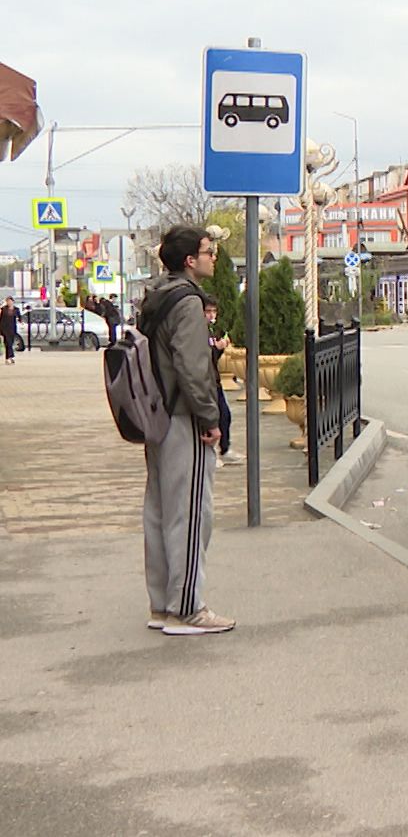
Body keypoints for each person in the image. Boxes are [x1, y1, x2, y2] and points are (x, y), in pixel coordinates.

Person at [140, 226, 233, 636]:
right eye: (208, 252)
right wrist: (210, 419)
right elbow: (194, 369)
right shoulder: (189, 303)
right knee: (192, 514)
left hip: (155, 417)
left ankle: (162, 605)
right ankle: (189, 608)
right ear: (190, 261)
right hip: (183, 419)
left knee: (160, 512)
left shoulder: (157, 295)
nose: (214, 258)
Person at [205, 300, 233, 464]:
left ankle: (225, 448)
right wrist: (217, 348)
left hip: (215, 380)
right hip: (207, 382)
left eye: (214, 312)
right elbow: (206, 356)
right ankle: (212, 452)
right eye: (208, 311)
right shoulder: (199, 331)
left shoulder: (211, 330)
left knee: (225, 415)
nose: (211, 315)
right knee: (214, 416)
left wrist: (220, 347)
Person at [0, 297, 18, 364]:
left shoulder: (16, 309)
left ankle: (10, 357)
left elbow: (19, 317)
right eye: (8, 301)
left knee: (10, 343)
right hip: (4, 328)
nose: (9, 302)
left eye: (10, 301)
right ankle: (9, 358)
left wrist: (21, 321)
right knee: (8, 343)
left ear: (13, 302)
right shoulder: (3, 309)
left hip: (12, 328)